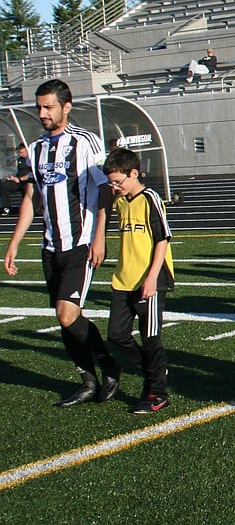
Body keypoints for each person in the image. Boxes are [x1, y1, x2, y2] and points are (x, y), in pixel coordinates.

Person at [4, 79, 120, 407]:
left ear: (66, 107)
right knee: (63, 317)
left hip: (80, 243)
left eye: (48, 107)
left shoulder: (85, 143)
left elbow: (104, 190)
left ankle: (109, 365)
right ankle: (87, 380)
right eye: (39, 107)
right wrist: (14, 244)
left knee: (67, 313)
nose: (42, 113)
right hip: (50, 245)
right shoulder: (38, 147)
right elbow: (31, 198)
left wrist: (99, 237)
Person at [103, 147, 175, 414]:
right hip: (123, 280)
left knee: (150, 337)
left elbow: (163, 239)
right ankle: (153, 371)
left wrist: (152, 277)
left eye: (118, 181)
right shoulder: (119, 201)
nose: (114, 186)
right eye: (111, 182)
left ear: (134, 173)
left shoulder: (150, 198)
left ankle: (157, 392)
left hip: (150, 281)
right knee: (116, 335)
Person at [0, 143, 31, 214]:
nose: (20, 154)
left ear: (27, 151)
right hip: (18, 181)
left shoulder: (32, 159)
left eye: (22, 152)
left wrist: (20, 179)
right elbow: (18, 172)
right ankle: (6, 207)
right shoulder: (20, 160)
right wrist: (12, 177)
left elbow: (32, 174)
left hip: (28, 181)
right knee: (4, 185)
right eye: (19, 152)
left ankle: (28, 208)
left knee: (27, 188)